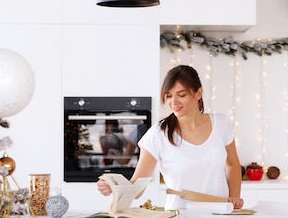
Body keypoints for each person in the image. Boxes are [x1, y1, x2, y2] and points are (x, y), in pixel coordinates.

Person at [97, 65, 243, 210]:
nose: (174, 102)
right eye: (168, 95)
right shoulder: (158, 134)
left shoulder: (221, 123)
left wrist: (234, 198)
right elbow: (137, 187)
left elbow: (233, 164)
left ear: (198, 93)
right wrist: (114, 186)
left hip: (221, 216)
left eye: (181, 95)